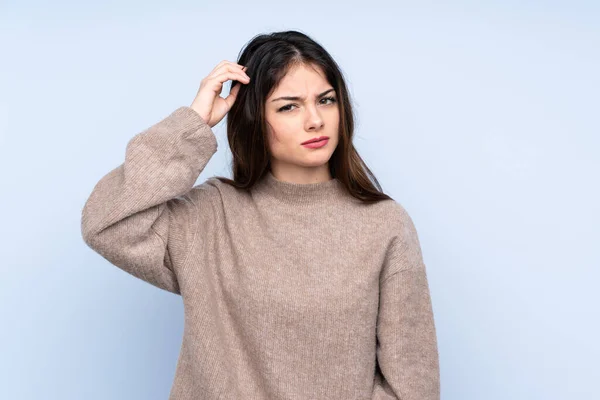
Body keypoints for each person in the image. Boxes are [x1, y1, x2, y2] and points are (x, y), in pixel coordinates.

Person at [81, 30, 440, 400]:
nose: (315, 120)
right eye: (289, 106)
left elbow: (412, 385)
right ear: (253, 117)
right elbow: (107, 223)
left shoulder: (384, 225)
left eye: (326, 100)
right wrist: (191, 124)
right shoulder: (209, 216)